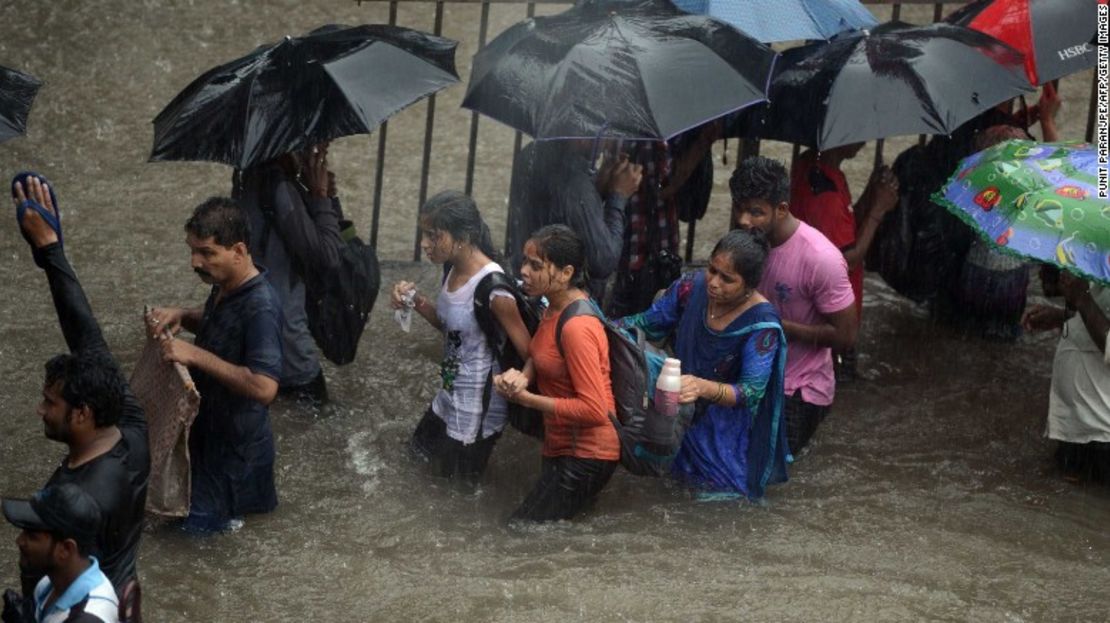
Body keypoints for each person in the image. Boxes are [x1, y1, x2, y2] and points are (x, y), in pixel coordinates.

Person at [9, 174, 149, 594]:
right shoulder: (131, 428)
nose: (40, 410)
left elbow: (52, 577)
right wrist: (50, 251)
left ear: (83, 413)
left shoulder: (77, 501)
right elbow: (86, 334)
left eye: (50, 403)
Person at [614, 229, 789, 498]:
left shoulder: (762, 326)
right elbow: (647, 324)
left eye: (727, 279)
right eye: (712, 269)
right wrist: (598, 326)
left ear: (749, 286)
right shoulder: (689, 287)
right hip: (678, 407)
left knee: (720, 500)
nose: (714, 283)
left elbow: (750, 392)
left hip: (723, 431)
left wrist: (701, 387)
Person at [147, 197, 283, 533]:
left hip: (233, 463)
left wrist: (193, 355)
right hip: (211, 445)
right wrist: (184, 315)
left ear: (238, 251)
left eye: (207, 253)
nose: (196, 261)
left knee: (186, 546)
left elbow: (265, 388)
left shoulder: (261, 307)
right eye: (192, 250)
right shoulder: (227, 286)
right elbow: (223, 324)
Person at [388, 191, 532, 485]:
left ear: (462, 237)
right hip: (451, 389)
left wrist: (521, 383)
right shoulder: (451, 267)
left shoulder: (494, 291)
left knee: (455, 489)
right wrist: (415, 301)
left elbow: (533, 352)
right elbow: (451, 328)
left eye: (433, 235)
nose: (424, 244)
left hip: (476, 408)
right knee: (415, 459)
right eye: (424, 234)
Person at [731, 157, 858, 456]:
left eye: (756, 212)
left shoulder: (820, 258)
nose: (743, 220)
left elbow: (846, 336)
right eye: (739, 208)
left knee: (767, 478)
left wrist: (775, 324)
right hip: (752, 380)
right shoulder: (748, 243)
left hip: (798, 391)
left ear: (782, 209)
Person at [494, 225, 619, 521]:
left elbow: (595, 410)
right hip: (562, 446)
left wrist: (525, 399)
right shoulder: (554, 306)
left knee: (518, 533)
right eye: (524, 262)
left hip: (588, 454)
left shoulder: (577, 327)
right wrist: (524, 376)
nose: (523, 271)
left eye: (536, 266)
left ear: (565, 273)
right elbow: (543, 352)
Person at [235, 142, 343, 406]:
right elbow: (328, 257)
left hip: (255, 340)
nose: (319, 153)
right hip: (290, 353)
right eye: (314, 147)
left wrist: (316, 196)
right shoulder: (278, 187)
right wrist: (320, 197)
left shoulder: (245, 177)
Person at [789, 142, 899, 380]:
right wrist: (878, 210)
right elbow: (846, 260)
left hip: (813, 306)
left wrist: (872, 194)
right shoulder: (824, 193)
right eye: (858, 136)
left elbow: (845, 229)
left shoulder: (815, 167)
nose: (864, 142)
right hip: (831, 316)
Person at [506, 140, 643, 299]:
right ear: (584, 136)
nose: (607, 144)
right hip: (558, 300)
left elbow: (563, 214)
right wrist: (618, 196)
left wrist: (598, 189)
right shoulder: (576, 185)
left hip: (524, 281)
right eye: (605, 136)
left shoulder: (531, 153)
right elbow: (604, 260)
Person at [607, 125, 718, 318]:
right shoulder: (659, 139)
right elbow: (664, 188)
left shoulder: (621, 126)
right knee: (650, 307)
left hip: (636, 233)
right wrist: (701, 145)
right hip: (646, 235)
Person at [1023, 267, 1110, 483]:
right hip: (1078, 426)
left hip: (1101, 434)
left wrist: (1083, 299)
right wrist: (1062, 317)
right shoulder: (1102, 260)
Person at [2, 485, 119, 623]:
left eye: (32, 536)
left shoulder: (88, 616)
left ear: (66, 549)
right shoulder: (47, 585)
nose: (19, 541)